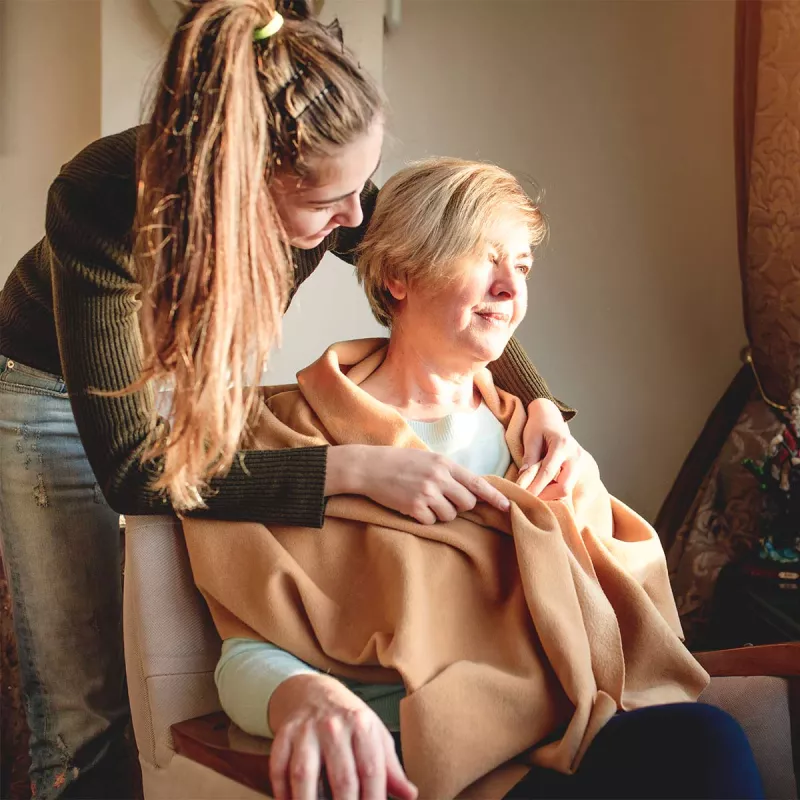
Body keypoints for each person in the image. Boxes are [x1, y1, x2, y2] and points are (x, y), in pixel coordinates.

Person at [0, 1, 581, 797]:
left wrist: (537, 397)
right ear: (238, 183)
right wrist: (347, 469)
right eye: (326, 207)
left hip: (191, 376)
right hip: (52, 392)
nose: (355, 222)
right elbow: (137, 472)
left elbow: (427, 261)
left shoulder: (326, 175)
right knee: (88, 710)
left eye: (359, 189)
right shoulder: (100, 203)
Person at [203, 159, 764, 800]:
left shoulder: (534, 439)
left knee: (706, 742)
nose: (510, 289)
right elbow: (246, 650)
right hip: (417, 753)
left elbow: (616, 612)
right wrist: (302, 695)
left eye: (521, 266)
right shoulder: (293, 435)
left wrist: (579, 500)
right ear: (398, 276)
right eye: (482, 256)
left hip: (564, 727)